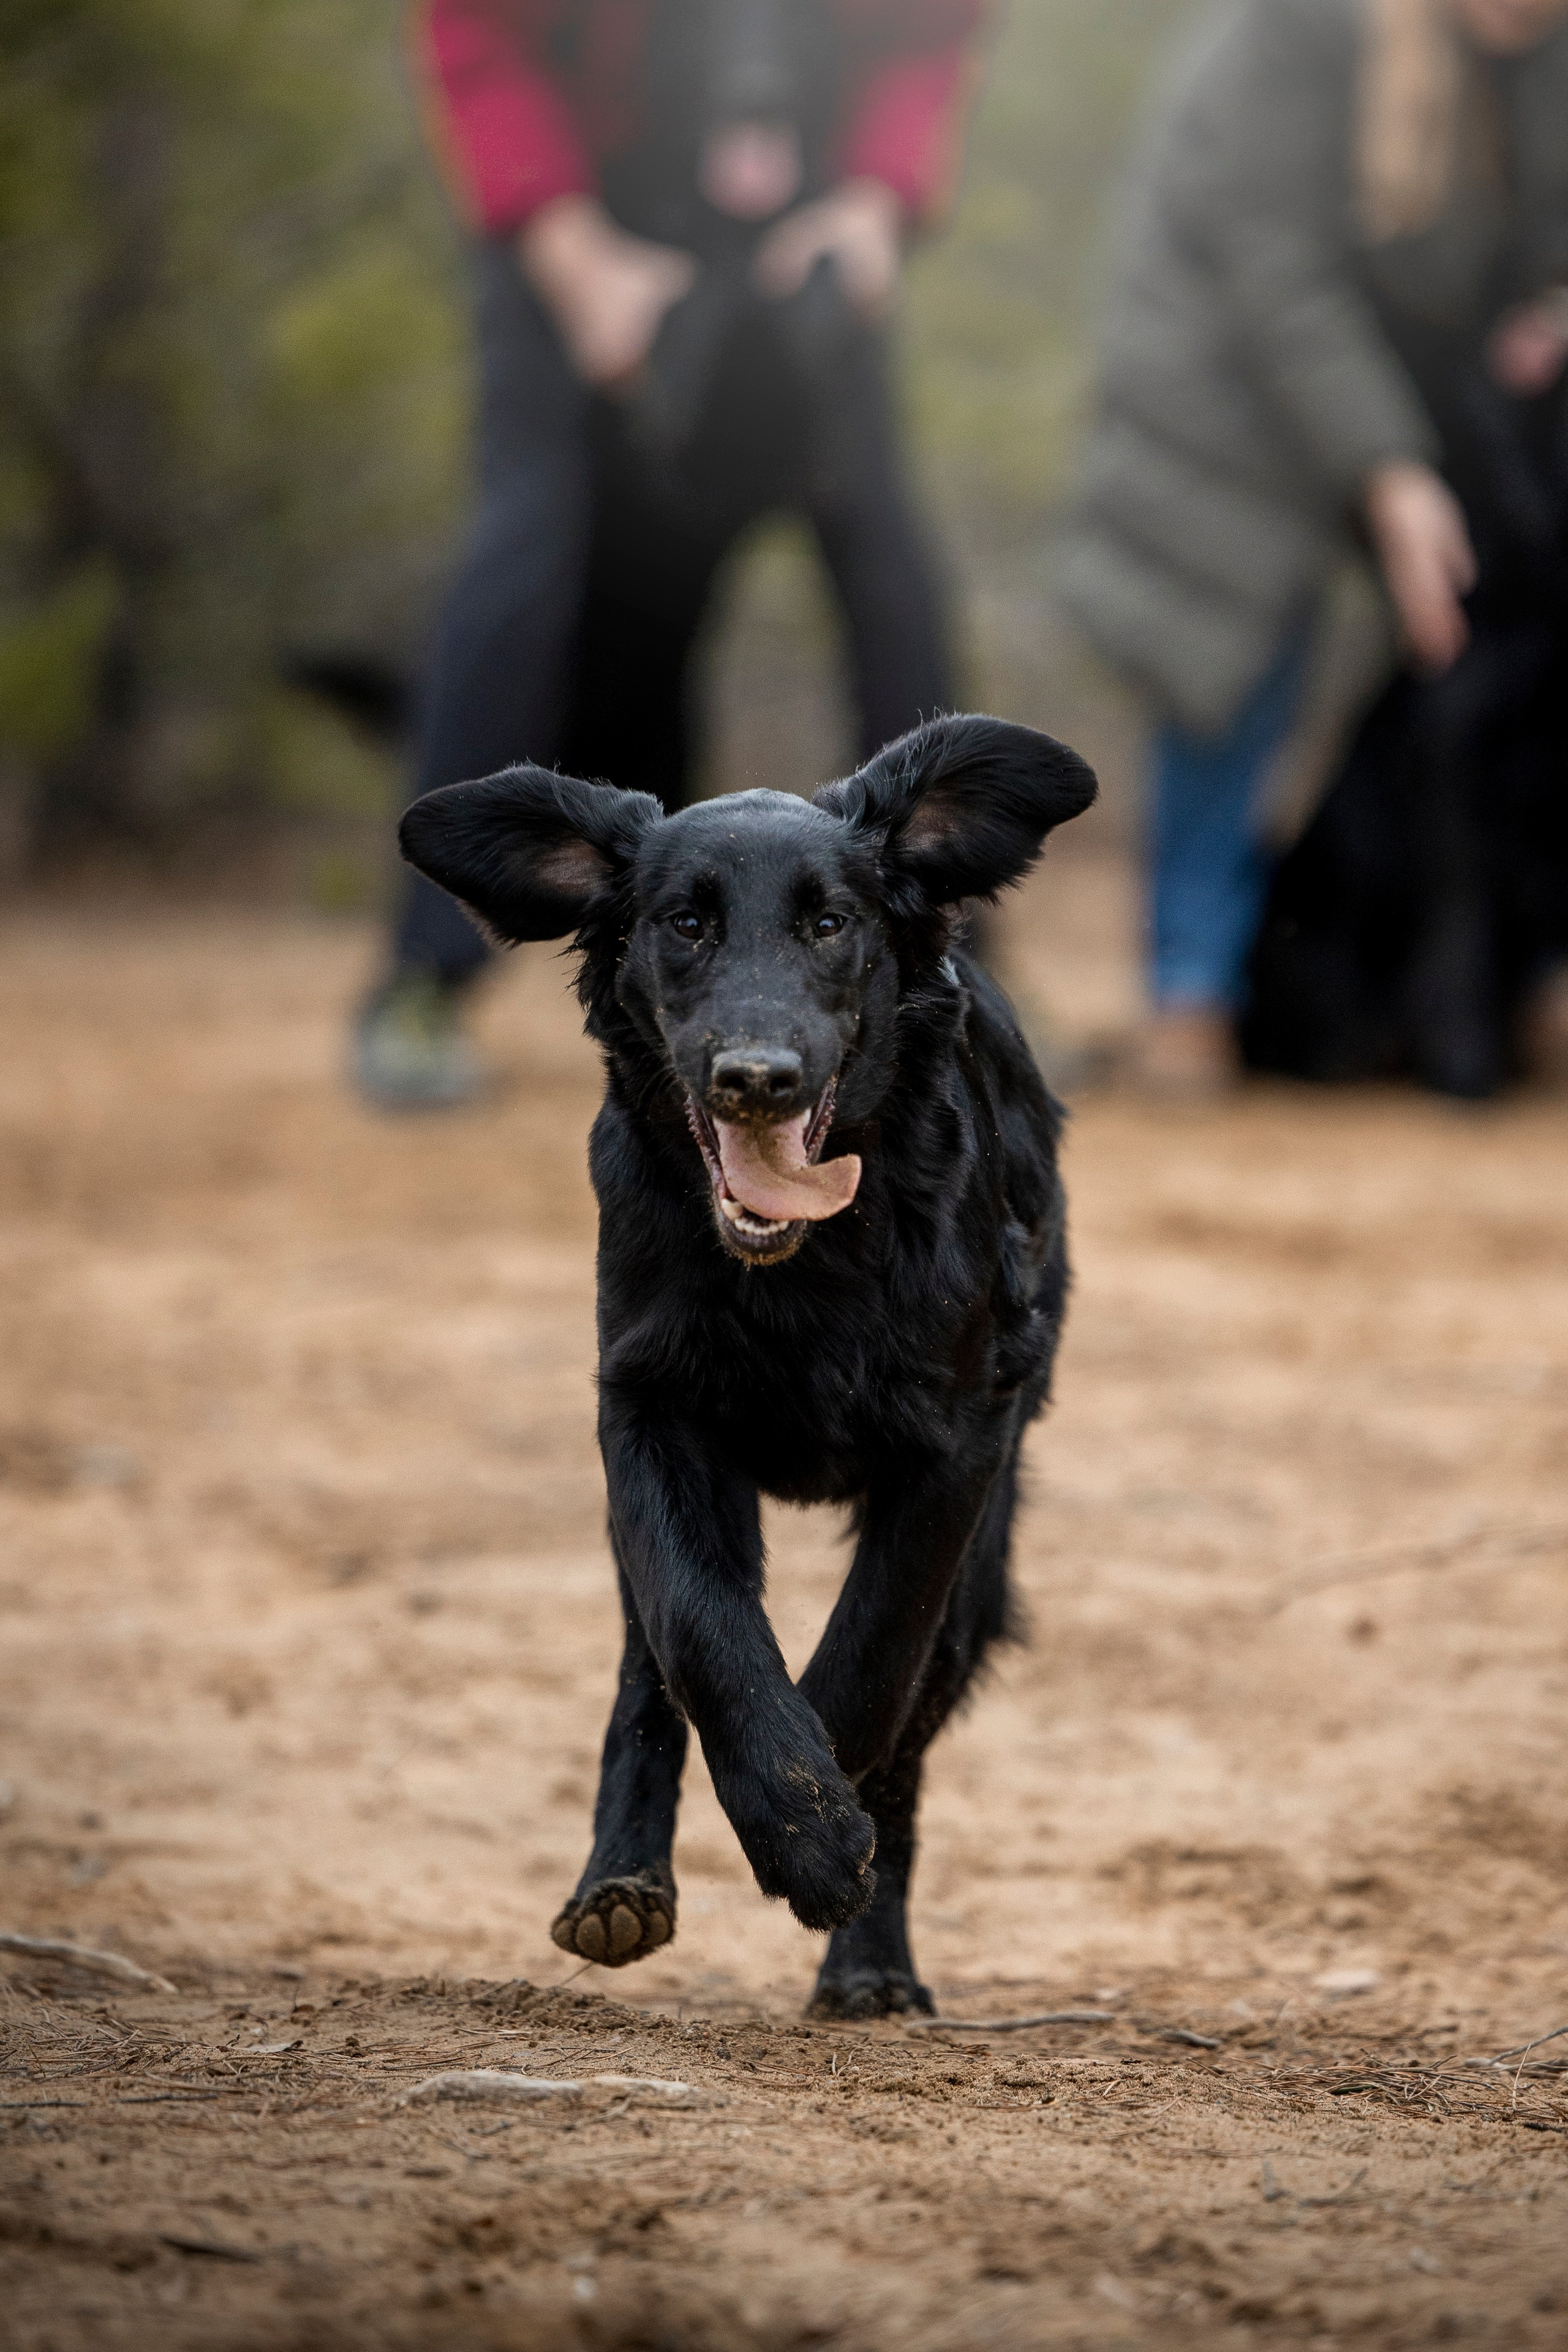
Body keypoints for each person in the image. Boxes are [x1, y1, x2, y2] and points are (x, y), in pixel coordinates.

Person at [357, 0, 987, 1107]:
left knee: (887, 565)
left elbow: (931, 28)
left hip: (812, 212)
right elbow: (476, 32)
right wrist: (569, 248)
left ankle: (963, 972)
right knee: (530, 560)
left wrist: (878, 199)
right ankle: (422, 978)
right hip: (588, 205)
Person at [1056, 0, 1568, 1097]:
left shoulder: (1537, 46)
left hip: (1424, 362)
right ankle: (1188, 992)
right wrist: (1391, 476)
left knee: (1502, 667)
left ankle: (1502, 979)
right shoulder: (1299, 29)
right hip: (1226, 373)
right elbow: (1270, 268)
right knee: (1232, 648)